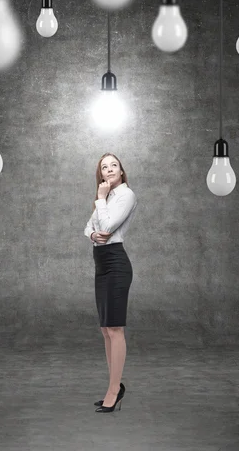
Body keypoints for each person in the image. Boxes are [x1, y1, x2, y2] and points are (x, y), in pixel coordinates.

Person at [83, 153, 137, 413]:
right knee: (106, 329)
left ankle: (114, 391)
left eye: (114, 165)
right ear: (101, 175)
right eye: (104, 167)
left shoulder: (126, 195)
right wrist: (94, 233)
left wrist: (101, 200)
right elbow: (90, 229)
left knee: (115, 329)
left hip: (116, 264)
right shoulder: (106, 198)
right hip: (101, 265)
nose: (109, 169)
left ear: (121, 171)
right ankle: (113, 385)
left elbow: (107, 224)